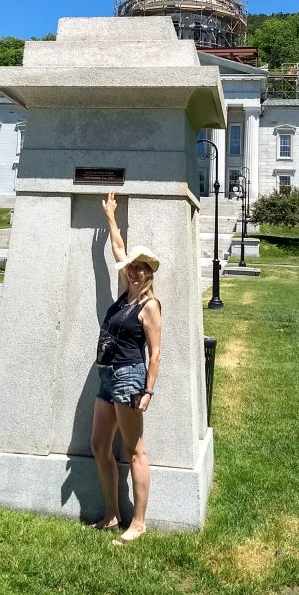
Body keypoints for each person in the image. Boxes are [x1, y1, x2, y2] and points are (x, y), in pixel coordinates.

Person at [91, 190, 162, 544]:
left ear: (150, 274)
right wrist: (110, 217)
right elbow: (118, 250)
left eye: (141, 268)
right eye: (132, 267)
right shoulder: (124, 295)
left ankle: (139, 521)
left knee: (134, 450)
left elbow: (156, 352)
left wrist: (148, 390)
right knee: (99, 447)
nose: (134, 271)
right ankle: (112, 514)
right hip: (106, 377)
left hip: (128, 378)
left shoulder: (149, 306)